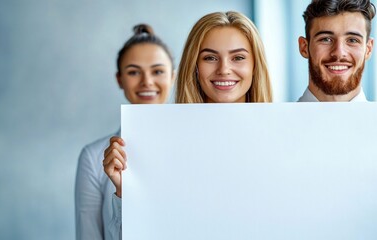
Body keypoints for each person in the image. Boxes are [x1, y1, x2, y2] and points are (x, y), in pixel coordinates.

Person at [102, 11, 273, 238]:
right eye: (210, 57)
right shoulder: (158, 145)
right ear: (194, 66)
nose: (224, 69)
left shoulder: (280, 141)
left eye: (238, 57)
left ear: (255, 66)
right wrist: (127, 191)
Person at [75, 24, 175, 240]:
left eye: (157, 71)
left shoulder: (193, 146)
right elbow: (89, 235)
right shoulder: (93, 157)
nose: (147, 81)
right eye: (133, 72)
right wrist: (122, 193)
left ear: (173, 77)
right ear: (119, 79)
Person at [298, 0, 375, 102]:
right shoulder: (274, 117)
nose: (339, 53)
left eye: (352, 40)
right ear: (304, 47)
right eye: (326, 39)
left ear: (368, 49)